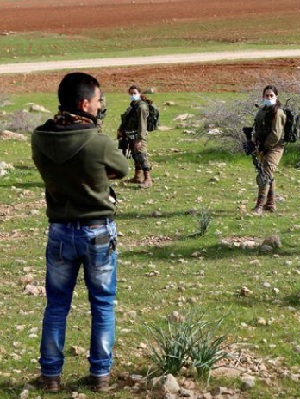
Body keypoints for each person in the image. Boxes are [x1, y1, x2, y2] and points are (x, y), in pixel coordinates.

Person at [31, 72, 128, 392]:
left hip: (59, 229)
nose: (101, 106)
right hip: (97, 230)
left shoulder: (40, 136)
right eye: (99, 100)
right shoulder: (97, 140)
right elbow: (122, 169)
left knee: (57, 304)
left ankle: (50, 376)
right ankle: (100, 375)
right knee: (102, 302)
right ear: (85, 103)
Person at [251, 85, 286, 215]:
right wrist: (255, 143)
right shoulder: (262, 111)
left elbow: (276, 134)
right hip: (263, 146)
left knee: (264, 175)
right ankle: (270, 204)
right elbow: (257, 129)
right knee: (267, 174)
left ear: (276, 97)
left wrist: (264, 147)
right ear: (263, 96)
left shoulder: (278, 112)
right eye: (267, 95)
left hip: (275, 147)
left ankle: (259, 206)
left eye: (271, 95)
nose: (269, 98)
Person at [117, 84, 153, 188]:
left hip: (138, 136)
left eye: (134, 93)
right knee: (134, 155)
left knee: (141, 155)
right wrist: (120, 129)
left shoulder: (141, 107)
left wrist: (140, 139)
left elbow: (143, 124)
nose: (132, 95)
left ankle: (148, 179)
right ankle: (138, 177)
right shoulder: (133, 105)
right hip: (131, 135)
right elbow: (126, 119)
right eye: (131, 93)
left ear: (139, 93)